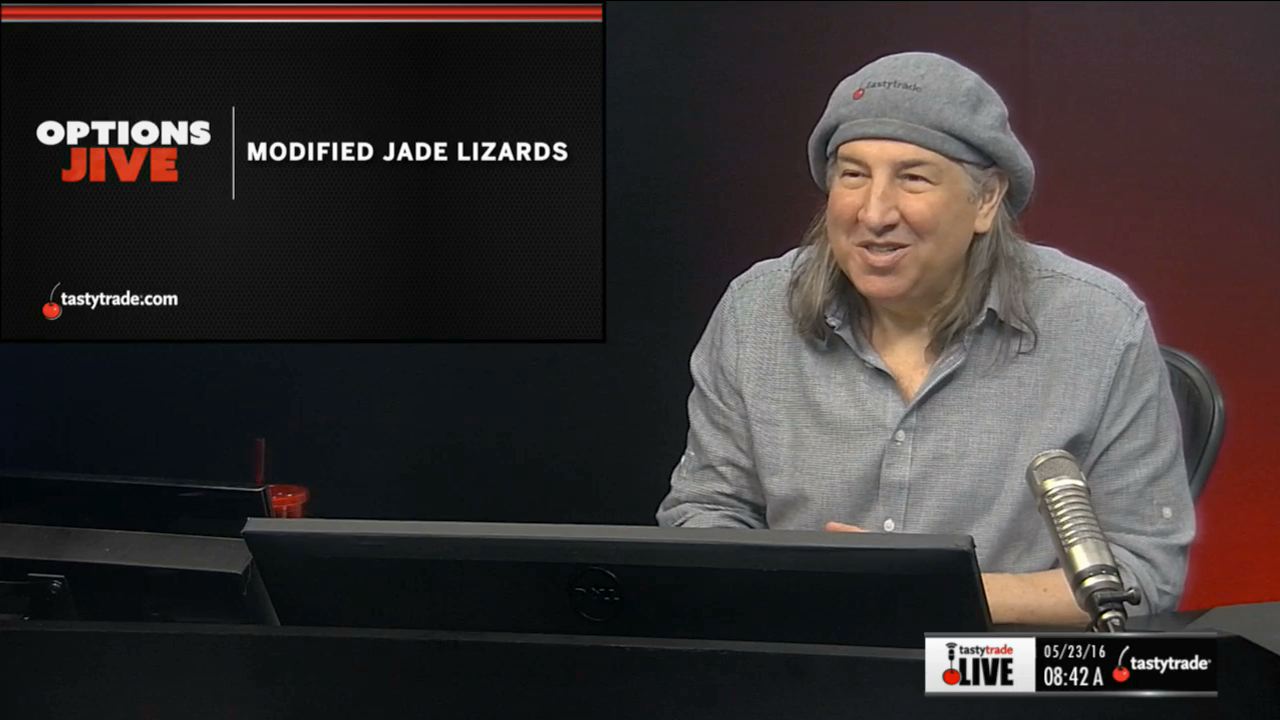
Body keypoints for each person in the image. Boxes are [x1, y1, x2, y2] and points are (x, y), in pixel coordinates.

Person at [655, 51, 1194, 624]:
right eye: (853, 175)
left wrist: (927, 590)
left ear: (985, 200)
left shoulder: (1099, 326)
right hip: (809, 653)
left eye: (913, 178)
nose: (874, 213)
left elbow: (1144, 573)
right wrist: (804, 591)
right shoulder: (755, 312)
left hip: (1002, 664)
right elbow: (703, 513)